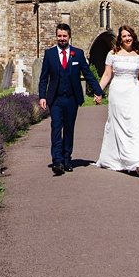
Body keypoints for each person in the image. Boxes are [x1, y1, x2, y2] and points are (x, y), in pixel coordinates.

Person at [38, 22, 103, 176]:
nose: (62, 39)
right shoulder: (50, 54)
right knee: (56, 127)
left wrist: (98, 91)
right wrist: (42, 96)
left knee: (69, 128)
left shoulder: (78, 54)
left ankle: (67, 159)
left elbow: (88, 74)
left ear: (69, 37)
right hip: (55, 98)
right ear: (56, 37)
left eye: (64, 36)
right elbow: (43, 78)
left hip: (72, 98)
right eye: (59, 36)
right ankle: (57, 160)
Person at [95, 24, 139, 179]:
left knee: (136, 126)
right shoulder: (112, 54)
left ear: (133, 37)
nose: (127, 38)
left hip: (134, 93)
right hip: (117, 94)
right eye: (124, 36)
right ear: (120, 39)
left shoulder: (138, 56)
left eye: (129, 35)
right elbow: (107, 75)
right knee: (120, 127)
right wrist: (99, 91)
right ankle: (123, 160)